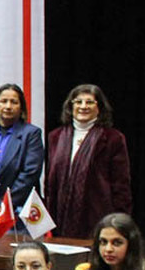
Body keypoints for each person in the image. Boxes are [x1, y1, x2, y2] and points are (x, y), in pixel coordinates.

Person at [45, 84, 133, 238]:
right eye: (78, 102)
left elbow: (121, 185)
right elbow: (50, 182)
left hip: (97, 218)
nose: (83, 106)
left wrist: (119, 221)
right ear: (70, 106)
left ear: (99, 107)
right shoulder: (55, 137)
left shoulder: (113, 138)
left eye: (90, 102)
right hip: (59, 219)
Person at [0, 84, 45, 233]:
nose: (8, 106)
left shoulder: (31, 134)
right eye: (3, 101)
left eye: (14, 102)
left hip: (16, 216)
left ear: (21, 107)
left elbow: (29, 174)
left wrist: (2, 205)